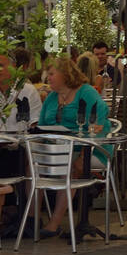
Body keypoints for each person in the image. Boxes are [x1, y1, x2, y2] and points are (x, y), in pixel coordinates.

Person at [36, 57, 111, 237]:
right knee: (31, 166)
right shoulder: (52, 97)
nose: (48, 78)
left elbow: (99, 120)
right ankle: (32, 219)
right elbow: (42, 124)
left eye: (52, 74)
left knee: (71, 167)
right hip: (59, 149)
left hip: (90, 150)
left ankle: (54, 224)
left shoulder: (86, 92)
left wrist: (85, 149)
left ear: (66, 74)